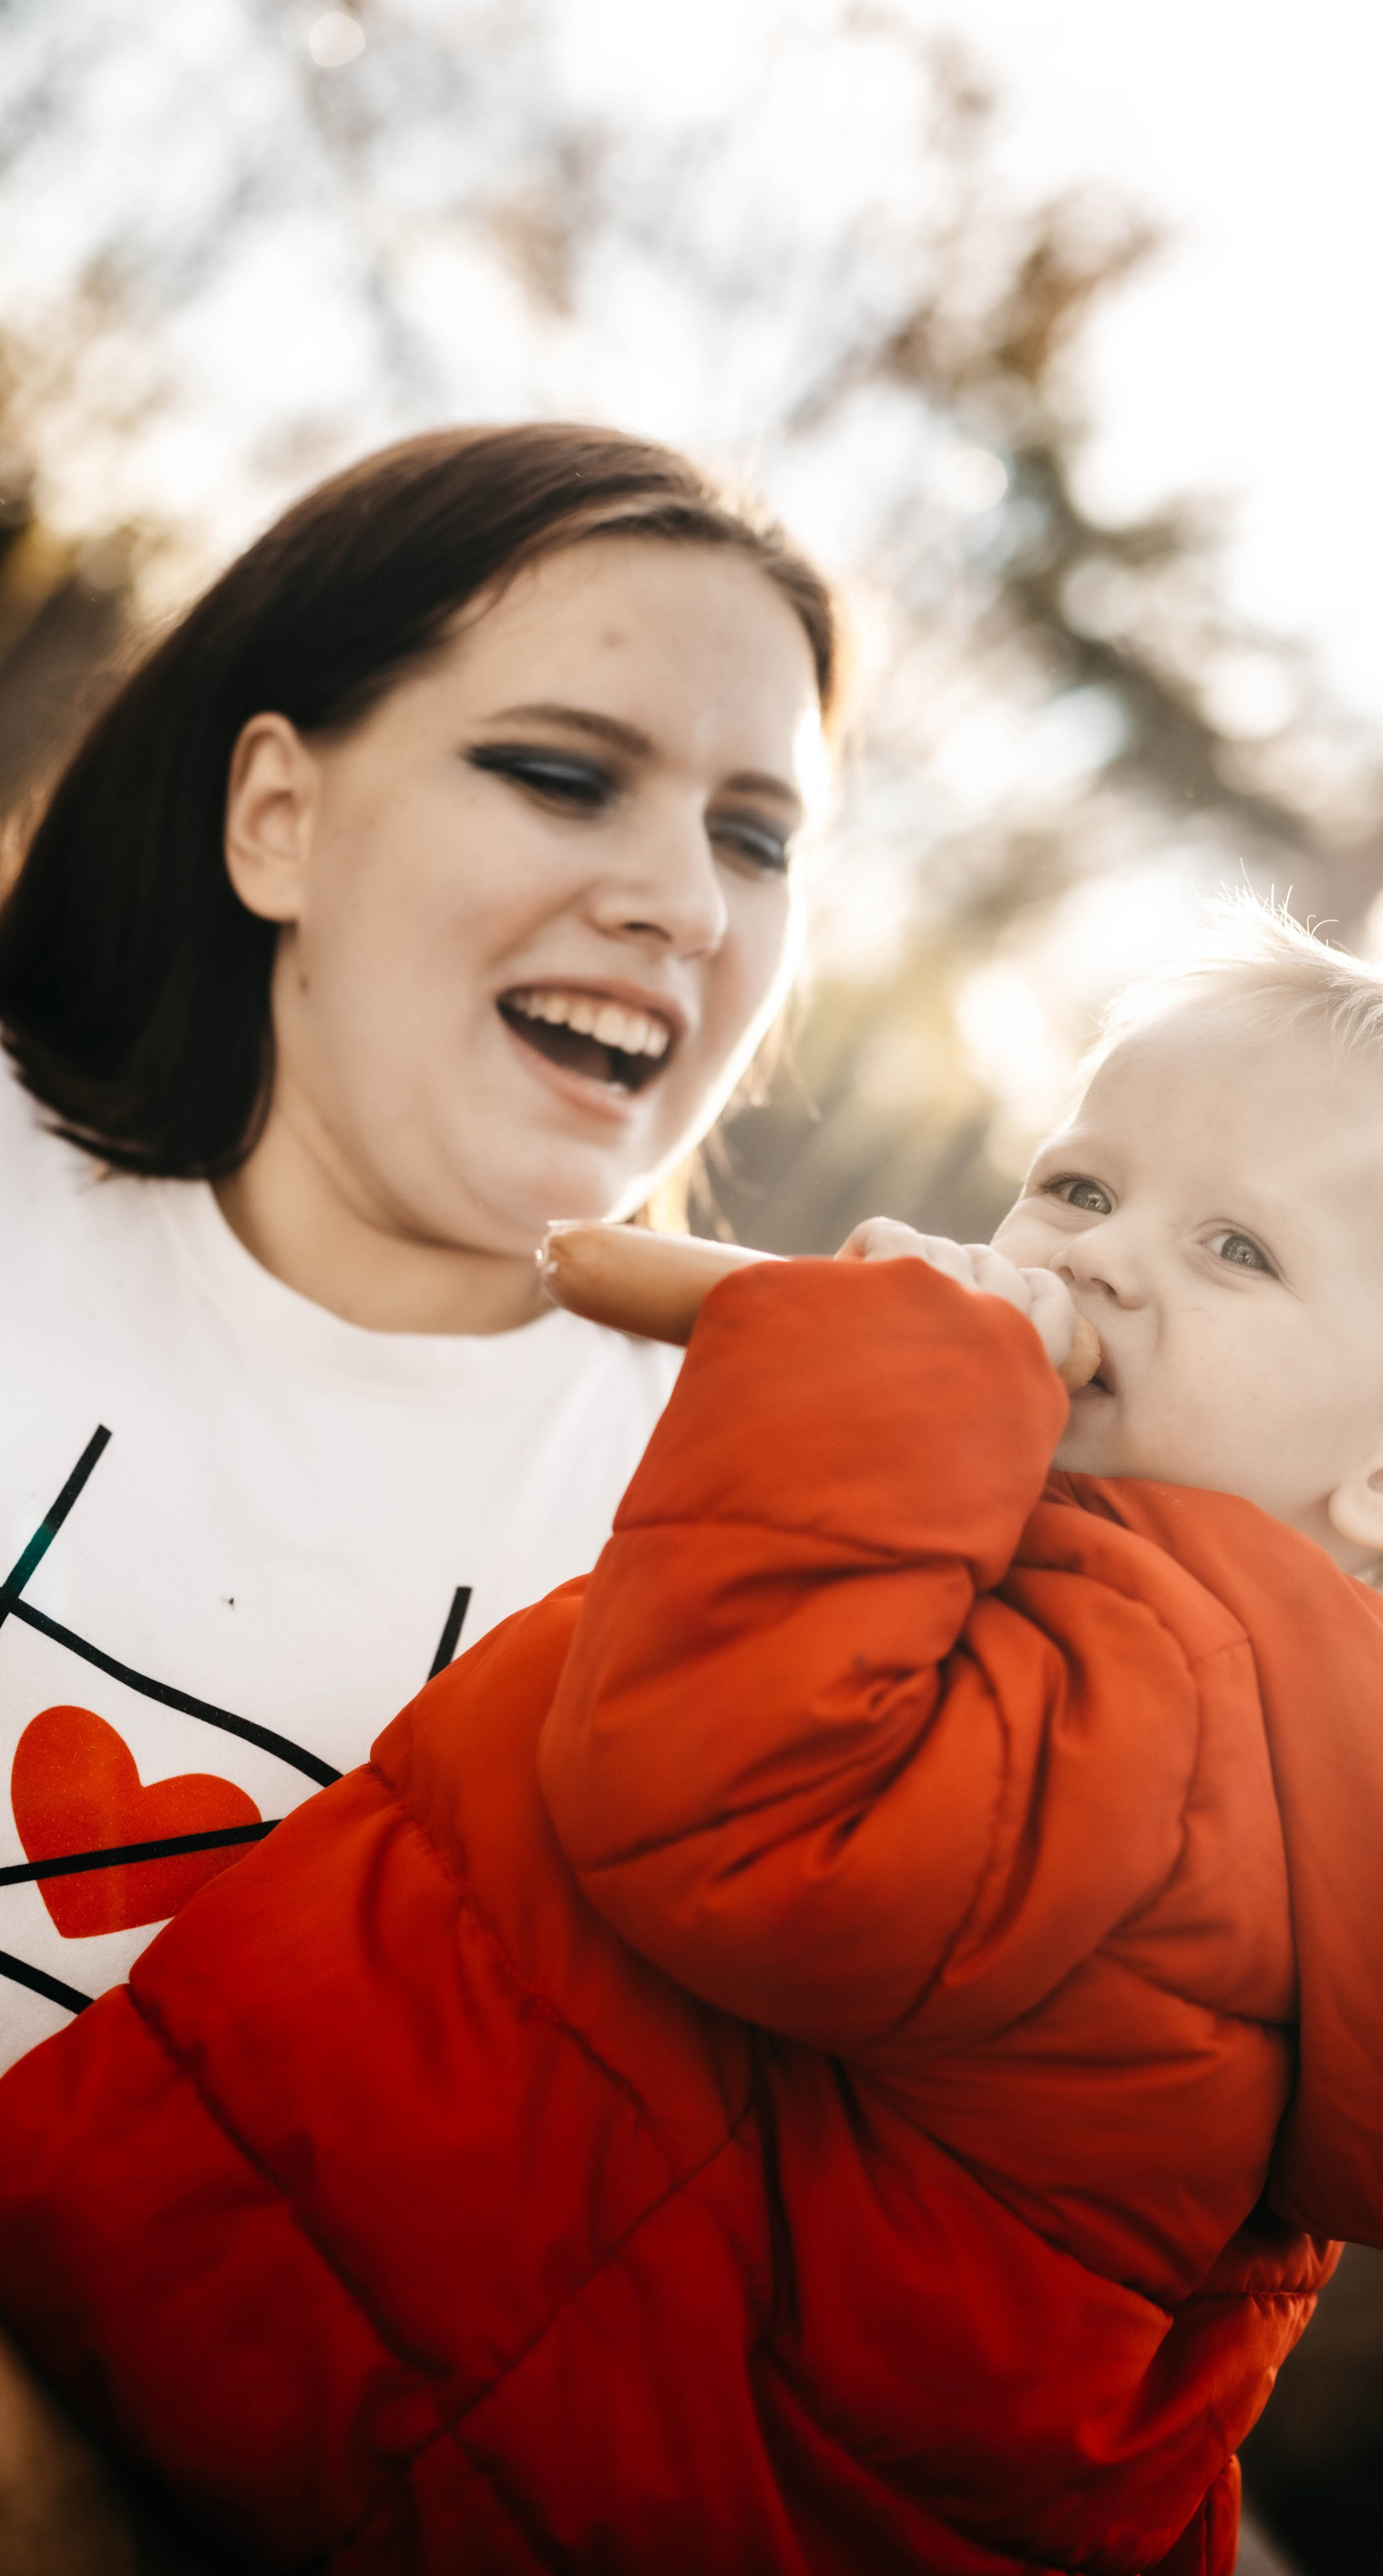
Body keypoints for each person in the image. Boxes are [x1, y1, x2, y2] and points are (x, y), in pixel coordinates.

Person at [0, 916, 1383, 2575]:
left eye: (1236, 1251)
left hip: (399, 2440)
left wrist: (871, 1398)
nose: (1094, 1257)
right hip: (428, 2393)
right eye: (1082, 1187)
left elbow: (725, 1821)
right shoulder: (1129, 1642)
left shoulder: (1170, 1677)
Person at [0, 422, 840, 2566]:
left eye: (758, 837)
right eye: (565, 774)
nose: (679, 895)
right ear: (277, 814)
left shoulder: (763, 1569)